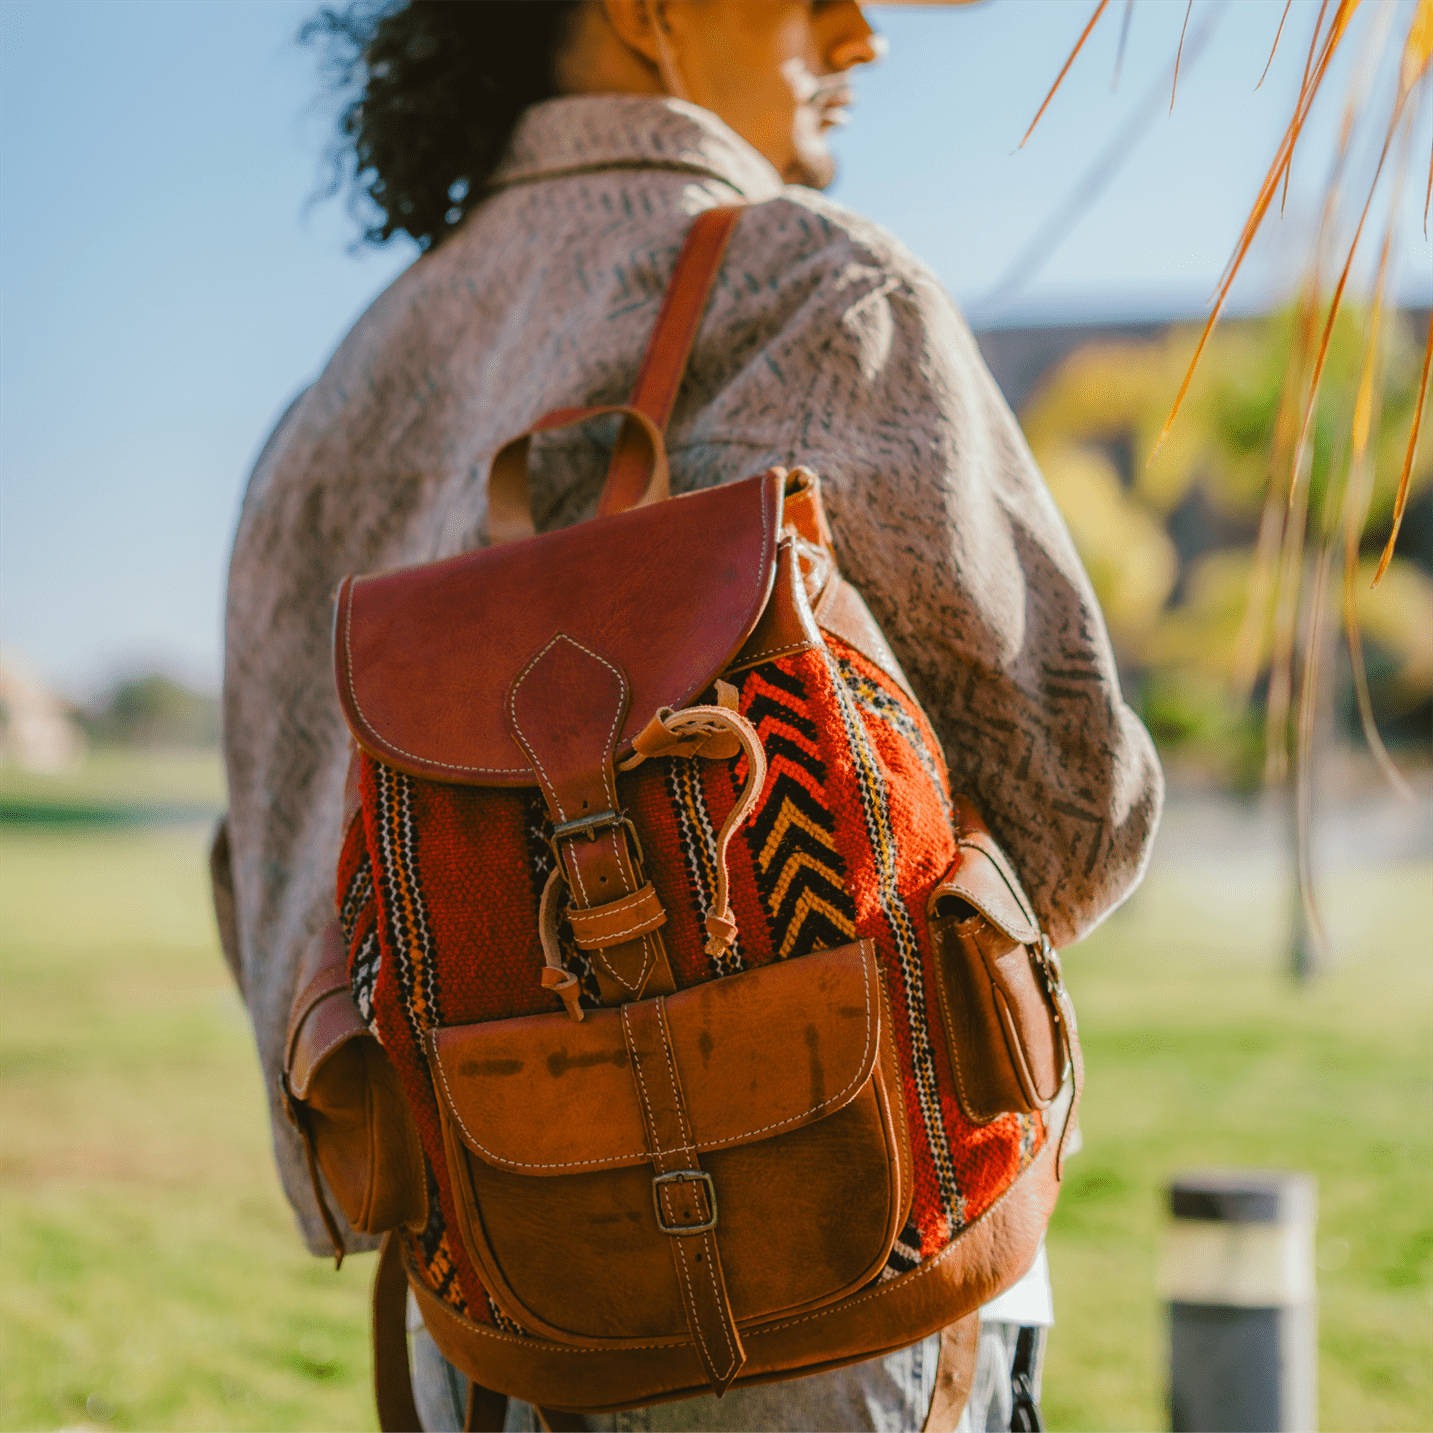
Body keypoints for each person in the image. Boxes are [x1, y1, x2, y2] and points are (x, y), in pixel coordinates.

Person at [214, 2, 1163, 1428]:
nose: (862, 38)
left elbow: (279, 904)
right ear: (648, 12)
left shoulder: (332, 407)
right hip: (839, 1283)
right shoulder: (816, 291)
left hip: (482, 1313)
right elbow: (1080, 811)